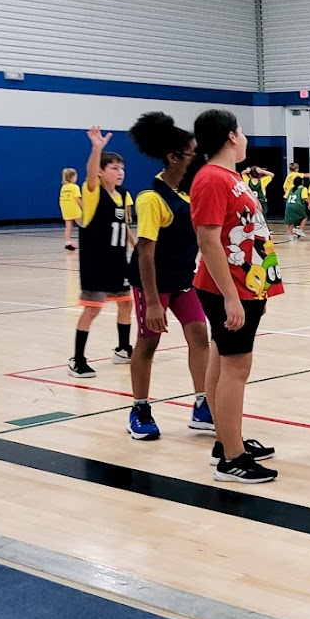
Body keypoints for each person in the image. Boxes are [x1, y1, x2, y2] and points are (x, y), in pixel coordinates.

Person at [190, 109, 282, 484]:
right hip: (232, 288)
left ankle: (226, 441)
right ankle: (233, 459)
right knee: (236, 368)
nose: (245, 138)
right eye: (242, 131)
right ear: (231, 136)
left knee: (221, 357)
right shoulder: (212, 178)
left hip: (249, 283)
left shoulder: (232, 177)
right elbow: (208, 238)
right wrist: (230, 296)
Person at [125, 112, 214, 441]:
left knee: (199, 337)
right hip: (153, 285)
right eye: (192, 153)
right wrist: (151, 303)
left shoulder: (186, 195)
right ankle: (140, 409)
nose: (197, 158)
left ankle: (203, 405)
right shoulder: (151, 199)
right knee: (148, 344)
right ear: (174, 157)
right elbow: (145, 252)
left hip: (182, 280)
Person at [69, 128, 136, 378]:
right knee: (92, 309)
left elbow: (125, 225)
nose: (119, 172)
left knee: (126, 304)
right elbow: (89, 174)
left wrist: (136, 246)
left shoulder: (124, 195)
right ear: (101, 171)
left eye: (122, 168)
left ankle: (123, 348)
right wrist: (96, 148)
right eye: (114, 168)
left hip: (118, 261)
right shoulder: (94, 192)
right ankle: (77, 359)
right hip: (96, 262)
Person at [59, 167, 81, 251]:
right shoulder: (75, 187)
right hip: (74, 209)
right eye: (75, 177)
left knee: (68, 226)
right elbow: (77, 199)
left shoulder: (63, 187)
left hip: (66, 209)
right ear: (72, 177)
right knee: (83, 225)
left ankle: (67, 243)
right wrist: (84, 207)